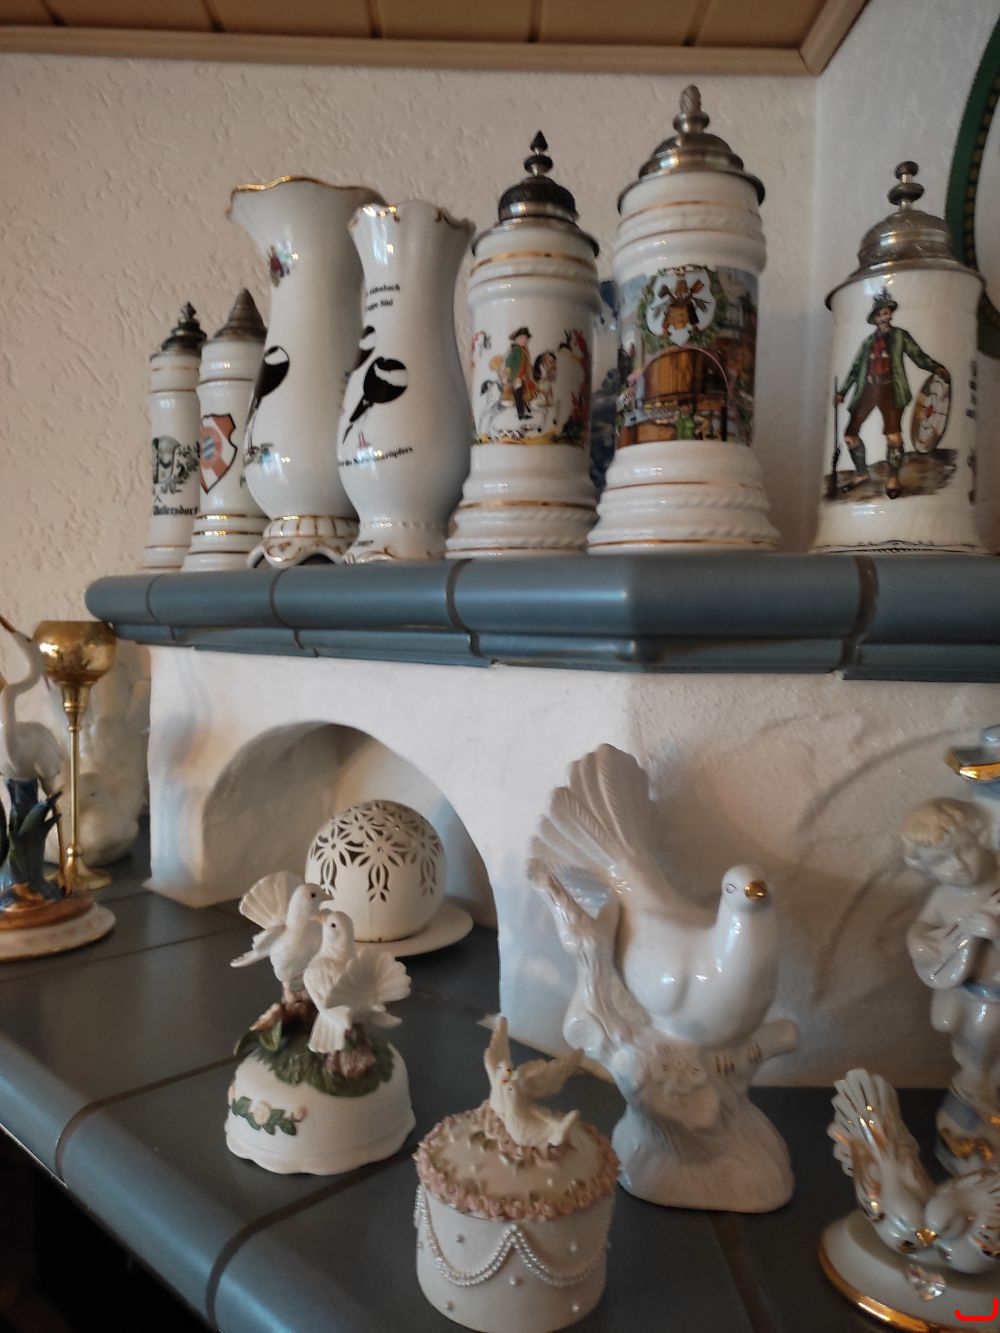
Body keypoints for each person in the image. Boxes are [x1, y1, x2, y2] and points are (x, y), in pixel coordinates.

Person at [903, 799, 1000, 1141]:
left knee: (985, 1031)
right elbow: (923, 926)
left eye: (964, 850)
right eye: (940, 861)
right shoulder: (944, 896)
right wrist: (918, 941)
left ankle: (980, 1085)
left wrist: (995, 933)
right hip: (963, 989)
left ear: (981, 838)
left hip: (993, 994)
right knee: (955, 1027)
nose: (957, 866)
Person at [835, 289, 949, 499]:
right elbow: (855, 369)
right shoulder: (867, 343)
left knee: (893, 435)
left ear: (890, 315)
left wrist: (935, 367)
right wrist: (842, 392)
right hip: (868, 388)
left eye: (886, 313)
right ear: (875, 318)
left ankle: (893, 478)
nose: (883, 317)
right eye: (879, 314)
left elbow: (917, 355)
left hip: (891, 389)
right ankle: (861, 473)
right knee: (850, 434)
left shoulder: (900, 336)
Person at [501, 327, 536, 420]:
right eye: (523, 338)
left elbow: (525, 364)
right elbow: (509, 363)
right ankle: (521, 414)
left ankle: (526, 409)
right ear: (517, 339)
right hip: (515, 377)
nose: (525, 341)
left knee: (529, 389)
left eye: (526, 339)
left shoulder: (524, 351)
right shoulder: (515, 351)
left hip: (523, 377)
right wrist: (508, 376)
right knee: (518, 393)